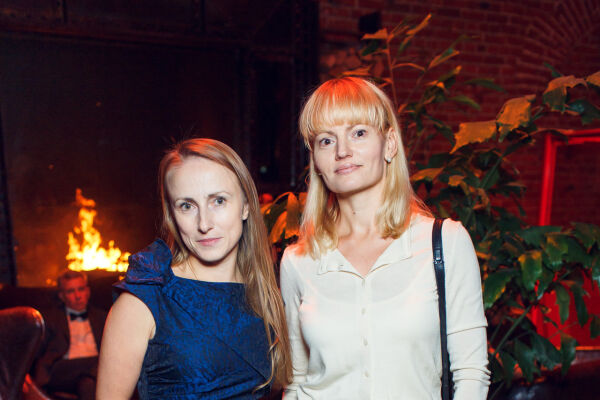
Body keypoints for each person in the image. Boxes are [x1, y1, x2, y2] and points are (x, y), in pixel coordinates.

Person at [280, 77, 490, 399]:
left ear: (389, 144)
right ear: (316, 161)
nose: (342, 151)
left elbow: (471, 373)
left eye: (358, 133)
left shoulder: (444, 243)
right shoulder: (298, 261)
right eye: (326, 140)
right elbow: (295, 381)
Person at [97, 138, 292, 399]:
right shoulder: (144, 300)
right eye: (187, 206)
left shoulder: (264, 293)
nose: (204, 223)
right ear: (172, 215)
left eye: (218, 201)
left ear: (246, 206)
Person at [34, 269, 107, 400]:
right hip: (62, 370)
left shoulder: (103, 317)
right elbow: (36, 352)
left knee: (88, 384)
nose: (78, 296)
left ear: (88, 291)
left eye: (81, 289)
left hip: (92, 373)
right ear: (62, 296)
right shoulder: (49, 319)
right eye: (70, 291)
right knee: (102, 361)